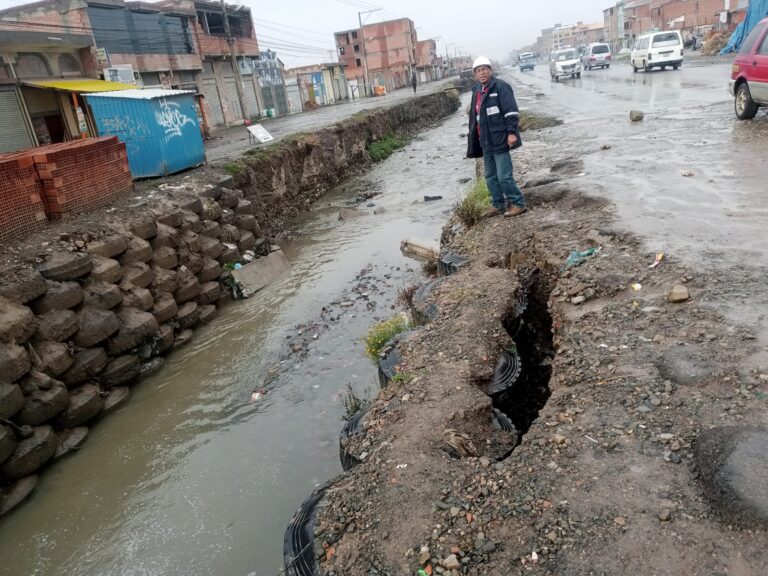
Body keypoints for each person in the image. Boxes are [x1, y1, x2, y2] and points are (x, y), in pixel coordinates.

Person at [466, 56, 526, 218]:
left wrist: (512, 133)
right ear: (475, 74)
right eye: (478, 70)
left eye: (484, 69)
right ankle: (498, 204)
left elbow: (511, 111)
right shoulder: (477, 91)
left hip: (500, 139)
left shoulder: (501, 87)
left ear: (490, 70)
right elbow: (476, 115)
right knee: (490, 176)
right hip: (485, 141)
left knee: (504, 176)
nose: (482, 73)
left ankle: (518, 203)